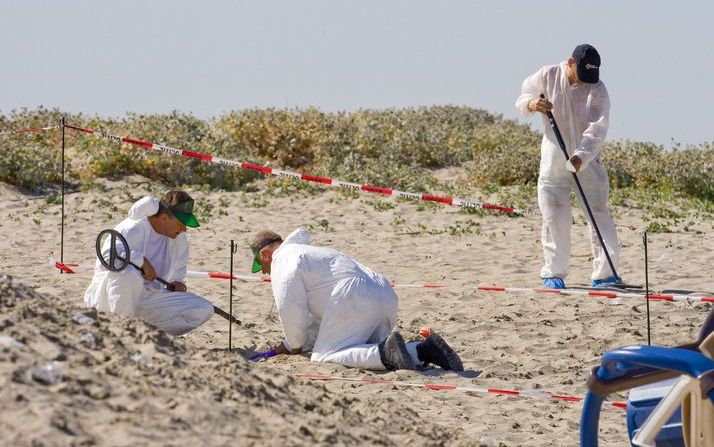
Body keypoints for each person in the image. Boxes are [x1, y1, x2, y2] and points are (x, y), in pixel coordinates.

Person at [248, 227, 463, 371]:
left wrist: (293, 344)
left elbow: (291, 310)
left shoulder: (282, 260)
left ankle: (384, 351)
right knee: (369, 349)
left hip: (352, 297)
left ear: (265, 254)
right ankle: (425, 350)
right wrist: (292, 342)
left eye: (261, 265)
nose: (263, 272)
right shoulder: (307, 253)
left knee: (324, 355)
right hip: (383, 291)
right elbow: (318, 321)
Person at [515, 43, 621, 289]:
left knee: (598, 213)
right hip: (553, 158)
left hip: (587, 161)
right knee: (554, 214)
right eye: (582, 75)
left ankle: (606, 274)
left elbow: (597, 128)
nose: (586, 82)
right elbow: (523, 96)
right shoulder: (547, 75)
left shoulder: (598, 88)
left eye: (591, 77)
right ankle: (554, 272)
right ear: (571, 63)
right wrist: (532, 104)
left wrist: (580, 157)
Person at [84, 190, 214, 336]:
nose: (184, 229)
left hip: (150, 298)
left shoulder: (179, 240)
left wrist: (178, 284)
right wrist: (141, 261)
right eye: (181, 224)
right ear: (164, 218)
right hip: (113, 297)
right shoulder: (133, 228)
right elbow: (108, 257)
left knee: (203, 309)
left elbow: (178, 275)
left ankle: (147, 335)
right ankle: (120, 331)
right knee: (128, 274)